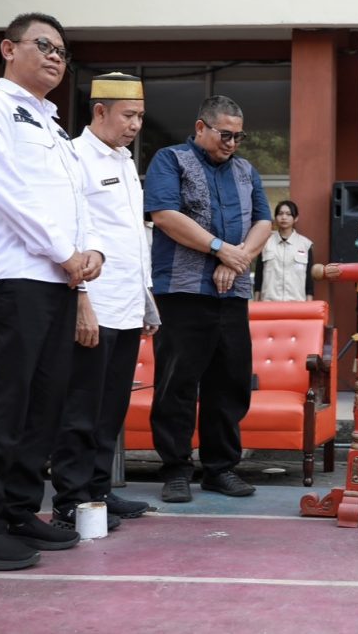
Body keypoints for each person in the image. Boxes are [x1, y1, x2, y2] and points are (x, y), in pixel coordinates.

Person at [0, 12, 104, 571]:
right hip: (15, 276)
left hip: (60, 280)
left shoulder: (56, 128)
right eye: (44, 45)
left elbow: (78, 201)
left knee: (43, 407)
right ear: (8, 49)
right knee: (4, 403)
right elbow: (0, 187)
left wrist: (91, 253)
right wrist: (62, 251)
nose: (56, 56)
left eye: (62, 49)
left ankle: (16, 511)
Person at [143, 94, 272, 503]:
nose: (232, 143)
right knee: (177, 383)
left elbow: (263, 221)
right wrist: (219, 248)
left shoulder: (247, 171)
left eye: (239, 136)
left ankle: (220, 468)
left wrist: (236, 261)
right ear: (201, 127)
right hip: (181, 291)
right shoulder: (170, 159)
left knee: (230, 382)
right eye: (225, 134)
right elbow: (164, 215)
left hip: (230, 292)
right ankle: (176, 469)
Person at [48, 73, 161, 533]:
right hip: (94, 304)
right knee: (81, 409)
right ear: (100, 111)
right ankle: (69, 499)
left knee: (110, 407)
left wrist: (147, 298)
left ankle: (97, 491)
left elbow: (132, 237)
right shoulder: (75, 159)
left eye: (139, 116)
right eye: (128, 115)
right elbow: (73, 236)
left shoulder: (124, 161)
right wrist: (81, 300)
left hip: (128, 305)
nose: (135, 125)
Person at [253, 200, 314, 301]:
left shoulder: (305, 245)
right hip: (269, 304)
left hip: (297, 304)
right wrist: (256, 302)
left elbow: (309, 282)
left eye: (288, 214)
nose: (284, 217)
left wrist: (309, 305)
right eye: (280, 214)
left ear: (296, 218)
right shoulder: (265, 243)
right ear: (276, 217)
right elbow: (258, 277)